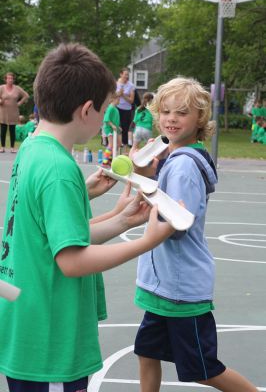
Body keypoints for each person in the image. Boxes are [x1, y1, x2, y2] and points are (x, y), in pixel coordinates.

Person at [0, 43, 174, 392]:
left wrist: (119, 218)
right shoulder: (60, 170)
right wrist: (146, 241)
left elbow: (50, 233)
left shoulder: (33, 147)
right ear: (87, 110)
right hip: (51, 334)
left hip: (26, 322)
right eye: (105, 109)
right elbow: (72, 260)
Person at [133, 77, 259, 392]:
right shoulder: (175, 157)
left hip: (180, 287)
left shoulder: (183, 167)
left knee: (204, 369)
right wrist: (145, 174)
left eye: (182, 113)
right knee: (146, 351)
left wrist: (146, 198)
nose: (171, 119)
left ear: (199, 119)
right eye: (165, 112)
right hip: (165, 284)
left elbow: (175, 225)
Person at [0, 72, 29, 153]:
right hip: (3, 112)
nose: (10, 80)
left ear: (13, 79)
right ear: (5, 79)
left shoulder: (17, 88)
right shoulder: (1, 88)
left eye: (11, 78)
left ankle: (12, 147)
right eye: (8, 78)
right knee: (3, 130)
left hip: (13, 112)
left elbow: (26, 95)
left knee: (12, 130)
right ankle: (2, 147)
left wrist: (19, 103)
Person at [116, 67, 135, 147]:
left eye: (128, 74)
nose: (126, 76)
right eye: (125, 74)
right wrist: (118, 94)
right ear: (121, 74)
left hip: (127, 109)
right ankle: (116, 143)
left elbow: (131, 100)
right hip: (117, 108)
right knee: (117, 126)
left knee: (125, 128)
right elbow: (112, 97)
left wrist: (123, 95)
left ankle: (125, 144)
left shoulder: (131, 85)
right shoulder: (116, 84)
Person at [102, 92, 122, 165]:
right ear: (114, 99)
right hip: (109, 129)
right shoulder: (110, 108)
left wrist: (117, 126)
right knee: (111, 144)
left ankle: (111, 157)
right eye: (118, 99)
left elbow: (115, 120)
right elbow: (106, 119)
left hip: (114, 129)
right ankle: (105, 160)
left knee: (118, 143)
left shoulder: (115, 109)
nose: (119, 101)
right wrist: (112, 125)